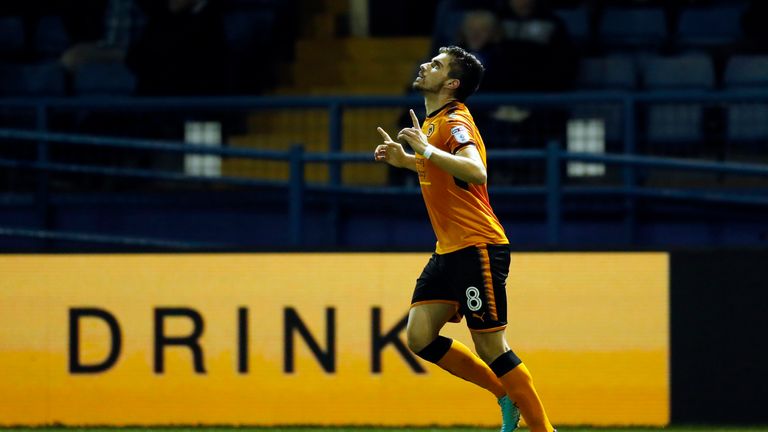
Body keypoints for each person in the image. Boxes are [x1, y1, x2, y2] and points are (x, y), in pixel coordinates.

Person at [373, 46, 556, 432]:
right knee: (419, 336)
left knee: (491, 346)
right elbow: (442, 169)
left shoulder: (455, 121)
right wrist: (406, 159)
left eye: (437, 65)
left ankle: (544, 431)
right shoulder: (433, 121)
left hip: (478, 246)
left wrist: (422, 150)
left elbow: (475, 171)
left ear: (452, 84)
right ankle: (505, 395)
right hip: (449, 250)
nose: (425, 65)